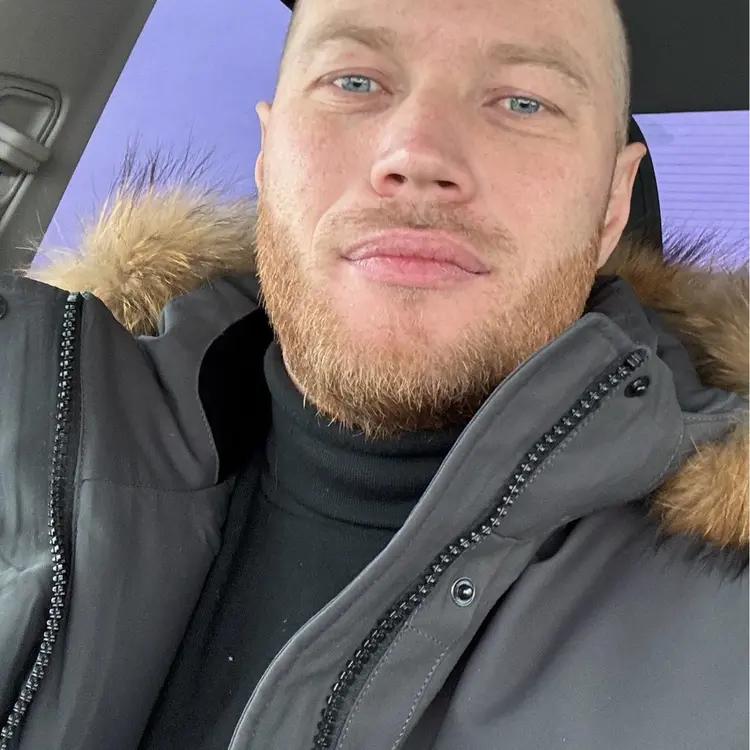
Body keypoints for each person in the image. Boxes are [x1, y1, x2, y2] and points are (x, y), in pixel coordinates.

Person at [1, 0, 747, 747]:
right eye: (354, 81)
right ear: (268, 153)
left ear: (612, 204)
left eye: (524, 102)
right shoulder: (26, 419)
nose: (416, 154)